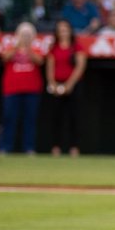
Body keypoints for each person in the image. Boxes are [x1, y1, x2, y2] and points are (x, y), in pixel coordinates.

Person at [0, 23, 44, 155]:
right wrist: (18, 46)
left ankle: (29, 147)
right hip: (12, 88)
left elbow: (40, 61)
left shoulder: (36, 47)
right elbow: (5, 57)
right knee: (9, 118)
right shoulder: (11, 46)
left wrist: (28, 48)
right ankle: (6, 147)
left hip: (32, 88)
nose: (25, 37)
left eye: (28, 34)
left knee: (30, 119)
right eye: (23, 34)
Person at [46, 19, 87, 157]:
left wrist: (69, 84)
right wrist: (52, 83)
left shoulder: (77, 47)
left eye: (65, 29)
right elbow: (50, 67)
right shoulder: (53, 47)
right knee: (56, 117)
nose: (63, 32)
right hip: (57, 85)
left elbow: (80, 66)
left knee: (74, 117)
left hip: (73, 85)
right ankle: (56, 146)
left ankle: (74, 147)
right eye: (60, 30)